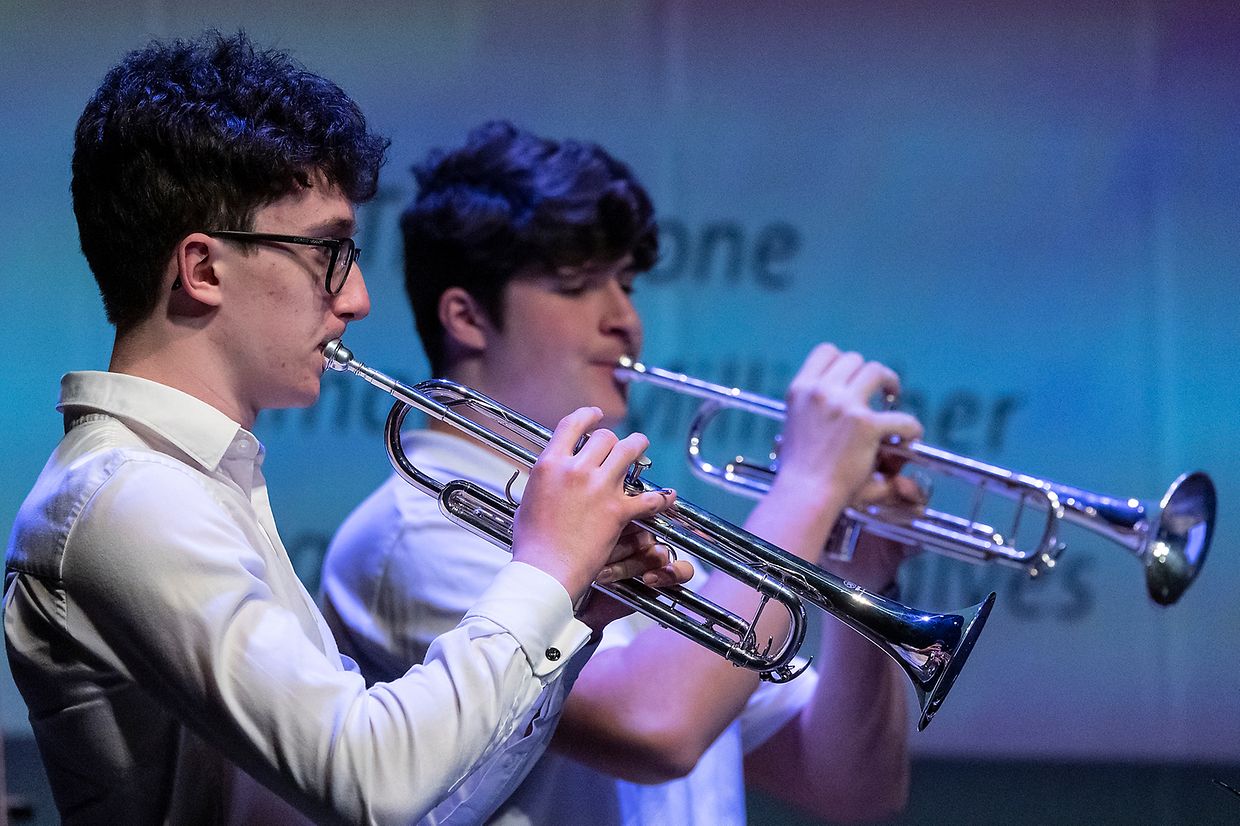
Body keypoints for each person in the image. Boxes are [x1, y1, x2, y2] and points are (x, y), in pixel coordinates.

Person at [2, 37, 687, 825]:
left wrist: (575, 609)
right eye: (328, 251)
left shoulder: (191, 482)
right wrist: (543, 570)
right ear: (203, 270)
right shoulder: (126, 496)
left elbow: (426, 805)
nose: (356, 296)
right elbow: (370, 783)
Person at [321, 120, 927, 825]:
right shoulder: (413, 533)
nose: (625, 320)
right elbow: (656, 726)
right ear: (467, 316)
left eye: (628, 282)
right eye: (579, 284)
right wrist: (809, 487)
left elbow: (850, 788)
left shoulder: (620, 517)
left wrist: (865, 576)